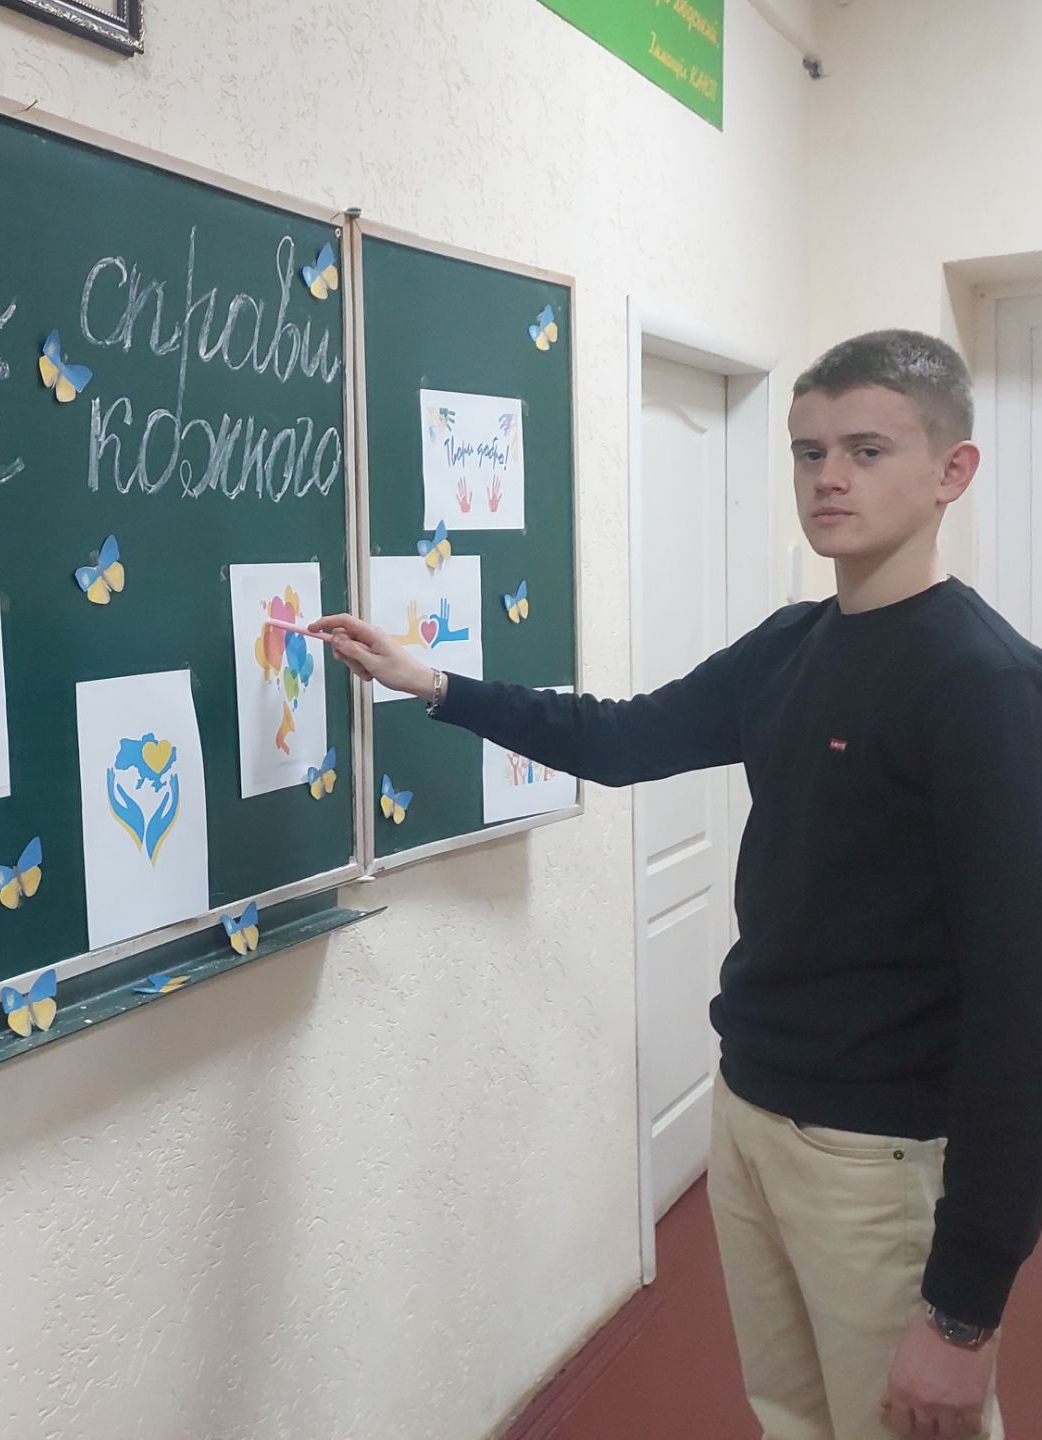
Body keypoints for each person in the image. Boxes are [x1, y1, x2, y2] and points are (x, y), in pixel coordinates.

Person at [314, 331, 1041, 1440]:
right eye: (807, 452)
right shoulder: (789, 647)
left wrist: (963, 1310)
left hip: (878, 1156)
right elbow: (621, 738)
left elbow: (1019, 1008)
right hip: (750, 1113)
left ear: (953, 472)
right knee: (790, 1416)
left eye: (865, 450)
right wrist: (437, 684)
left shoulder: (986, 686)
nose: (828, 478)